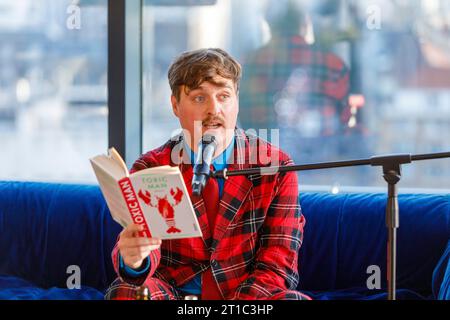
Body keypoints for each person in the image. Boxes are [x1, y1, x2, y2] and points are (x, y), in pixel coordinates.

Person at [105, 48, 310, 300]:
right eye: (199, 98)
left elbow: (277, 265)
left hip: (246, 299)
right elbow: (145, 253)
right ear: (175, 105)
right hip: (174, 295)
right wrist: (135, 261)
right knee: (125, 291)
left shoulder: (276, 167)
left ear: (236, 101)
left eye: (223, 96)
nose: (214, 109)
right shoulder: (151, 168)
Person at [239, 0, 350, 163]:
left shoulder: (248, 65)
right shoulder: (334, 64)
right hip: (323, 169)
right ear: (305, 24)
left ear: (269, 24)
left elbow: (242, 118)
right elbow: (345, 122)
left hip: (267, 168)